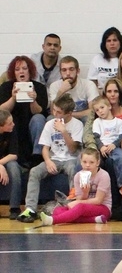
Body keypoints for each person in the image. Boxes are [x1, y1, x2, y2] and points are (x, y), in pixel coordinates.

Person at [17, 94, 83, 223]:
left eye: (59, 112)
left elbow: (73, 150)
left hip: (71, 158)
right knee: (34, 171)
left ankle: (72, 206)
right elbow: (45, 148)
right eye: (54, 110)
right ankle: (30, 209)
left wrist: (64, 131)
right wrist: (47, 161)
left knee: (73, 169)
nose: (55, 114)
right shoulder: (49, 124)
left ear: (69, 113)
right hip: (54, 158)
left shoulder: (77, 125)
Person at [39, 147, 111, 225]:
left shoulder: (104, 175)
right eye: (85, 162)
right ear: (81, 162)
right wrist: (85, 193)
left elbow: (98, 201)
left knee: (79, 207)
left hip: (103, 208)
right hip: (85, 207)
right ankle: (94, 219)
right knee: (58, 210)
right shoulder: (78, 176)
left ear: (97, 163)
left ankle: (52, 220)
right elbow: (80, 198)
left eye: (91, 162)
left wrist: (78, 202)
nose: (87, 165)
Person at [0, 55, 48, 167]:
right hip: (13, 124)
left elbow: (39, 112)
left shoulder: (39, 87)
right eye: (17, 69)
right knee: (11, 120)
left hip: (33, 123)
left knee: (38, 119)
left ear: (30, 71)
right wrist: (13, 98)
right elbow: (2, 111)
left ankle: (37, 155)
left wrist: (33, 100)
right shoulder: (6, 87)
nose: (21, 72)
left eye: (25, 68)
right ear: (13, 73)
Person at [89, 95, 122, 201]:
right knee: (88, 158)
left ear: (109, 106)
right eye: (97, 110)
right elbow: (96, 137)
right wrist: (101, 147)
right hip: (101, 148)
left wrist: (114, 144)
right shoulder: (97, 122)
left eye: (102, 107)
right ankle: (81, 187)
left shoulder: (120, 122)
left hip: (114, 148)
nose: (100, 111)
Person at [48, 56, 100, 122]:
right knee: (50, 119)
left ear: (78, 71)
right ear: (60, 72)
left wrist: (69, 115)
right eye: (64, 70)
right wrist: (60, 92)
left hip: (81, 118)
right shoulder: (55, 86)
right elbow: (53, 112)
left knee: (87, 118)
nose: (68, 73)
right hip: (62, 119)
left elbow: (93, 111)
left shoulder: (88, 85)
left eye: (71, 69)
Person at [0, 110, 23, 219]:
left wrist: (0, 164)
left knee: (14, 167)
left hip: (8, 160)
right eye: (9, 123)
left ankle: (14, 208)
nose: (13, 124)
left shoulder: (12, 130)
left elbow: (14, 155)